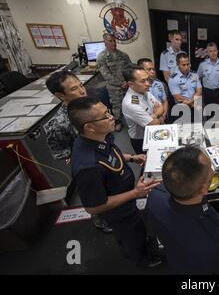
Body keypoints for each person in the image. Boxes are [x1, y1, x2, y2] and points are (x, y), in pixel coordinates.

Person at [68, 96, 162, 268]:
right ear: (89, 127)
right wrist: (136, 193)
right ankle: (143, 260)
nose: (111, 117)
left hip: (127, 199)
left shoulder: (99, 137)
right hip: (118, 211)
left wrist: (132, 157)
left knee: (137, 229)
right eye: (105, 116)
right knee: (131, 237)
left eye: (109, 112)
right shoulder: (88, 167)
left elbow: (112, 154)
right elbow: (94, 207)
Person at [43, 71, 112, 234]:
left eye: (81, 85)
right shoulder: (58, 124)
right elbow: (58, 151)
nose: (82, 90)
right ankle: (101, 221)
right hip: (88, 164)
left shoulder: (90, 105)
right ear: (61, 95)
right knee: (95, 196)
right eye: (74, 88)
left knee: (111, 188)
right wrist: (72, 156)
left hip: (105, 153)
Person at [146, 146, 219, 274]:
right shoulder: (211, 239)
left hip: (176, 258)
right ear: (204, 189)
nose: (211, 171)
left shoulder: (155, 195)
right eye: (210, 171)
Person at [122, 65, 165, 155]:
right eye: (143, 81)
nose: (148, 84)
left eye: (147, 79)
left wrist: (154, 116)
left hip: (155, 132)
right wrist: (158, 116)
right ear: (130, 84)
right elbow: (154, 124)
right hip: (142, 139)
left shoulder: (144, 91)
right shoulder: (130, 103)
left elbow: (161, 106)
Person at [96, 33, 131, 132]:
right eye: (110, 41)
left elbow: (130, 69)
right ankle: (117, 121)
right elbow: (106, 75)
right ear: (105, 42)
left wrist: (128, 81)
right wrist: (121, 83)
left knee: (130, 103)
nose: (113, 43)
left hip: (127, 84)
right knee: (117, 106)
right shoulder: (102, 57)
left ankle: (131, 120)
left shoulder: (123, 55)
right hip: (114, 88)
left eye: (114, 40)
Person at [168, 53, 202, 122]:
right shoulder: (173, 78)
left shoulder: (194, 75)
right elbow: (178, 97)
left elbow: (199, 91)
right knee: (184, 129)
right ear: (177, 64)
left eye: (188, 64)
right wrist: (192, 104)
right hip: (182, 108)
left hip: (195, 105)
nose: (186, 67)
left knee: (196, 127)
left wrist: (192, 102)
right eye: (183, 65)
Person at [197, 42, 219, 108]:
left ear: (217, 51)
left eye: (214, 50)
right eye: (210, 51)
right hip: (207, 92)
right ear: (207, 53)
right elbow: (198, 78)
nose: (213, 53)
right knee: (208, 111)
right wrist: (199, 91)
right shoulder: (203, 65)